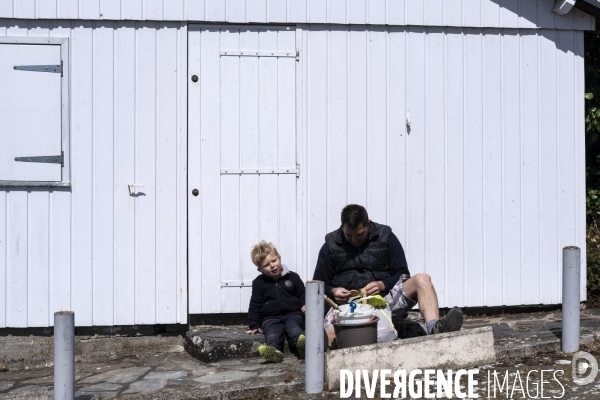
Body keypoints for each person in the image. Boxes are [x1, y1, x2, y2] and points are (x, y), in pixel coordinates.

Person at [313, 204, 463, 347]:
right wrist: (333, 291)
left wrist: (382, 284)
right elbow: (318, 285)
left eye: (359, 234)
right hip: (345, 308)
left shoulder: (386, 237)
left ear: (368, 224)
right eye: (348, 235)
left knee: (422, 280)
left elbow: (402, 273)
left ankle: (435, 330)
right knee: (331, 335)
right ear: (342, 227)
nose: (354, 240)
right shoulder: (330, 246)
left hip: (383, 302)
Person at [246, 240, 306, 363]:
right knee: (273, 334)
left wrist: (304, 304)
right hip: (270, 318)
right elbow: (255, 304)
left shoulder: (292, 277)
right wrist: (254, 324)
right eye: (267, 265)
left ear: (279, 258)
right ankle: (273, 351)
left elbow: (302, 293)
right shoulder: (259, 283)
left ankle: (302, 346)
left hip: (292, 314)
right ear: (260, 269)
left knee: (294, 329)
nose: (272, 265)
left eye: (274, 261)